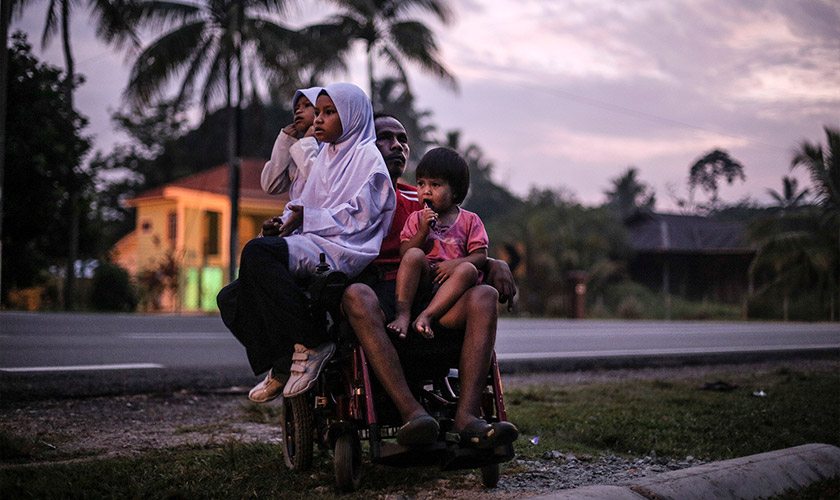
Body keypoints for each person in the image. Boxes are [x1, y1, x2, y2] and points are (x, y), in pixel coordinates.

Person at [341, 115, 518, 448]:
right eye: (385, 138)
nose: (397, 145)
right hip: (381, 289)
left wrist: (495, 262)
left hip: (436, 287)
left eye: (402, 139)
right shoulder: (344, 197)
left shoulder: (421, 200)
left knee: (484, 295)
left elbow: (459, 245)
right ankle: (413, 414)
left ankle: (467, 416)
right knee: (355, 295)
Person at [217, 83, 396, 403]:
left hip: (344, 248)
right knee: (231, 297)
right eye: (321, 112)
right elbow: (302, 203)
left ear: (352, 116)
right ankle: (282, 362)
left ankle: (313, 342)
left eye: (329, 113)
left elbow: (361, 219)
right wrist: (282, 227)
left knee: (257, 254)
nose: (319, 119)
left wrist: (307, 219)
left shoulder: (368, 158)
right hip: (317, 241)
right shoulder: (329, 155)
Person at [387, 147, 489, 340]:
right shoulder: (416, 219)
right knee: (414, 255)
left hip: (452, 288)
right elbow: (405, 253)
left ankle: (427, 316)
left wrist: (455, 265)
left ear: (455, 192)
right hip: (425, 280)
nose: (426, 191)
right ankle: (403, 314)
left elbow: (480, 256)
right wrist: (423, 231)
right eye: (421, 184)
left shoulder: (470, 220)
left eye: (435, 185)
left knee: (469, 269)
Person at [261, 87, 322, 201]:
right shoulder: (299, 149)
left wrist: (307, 142)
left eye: (307, 105)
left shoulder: (330, 146)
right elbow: (270, 185)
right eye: (296, 108)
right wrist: (284, 142)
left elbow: (320, 185)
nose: (298, 111)